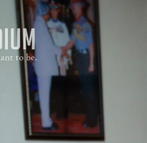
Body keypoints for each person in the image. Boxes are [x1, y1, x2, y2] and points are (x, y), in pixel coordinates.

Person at [61, 0, 98, 130]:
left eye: (73, 7)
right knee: (85, 90)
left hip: (87, 57)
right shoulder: (76, 25)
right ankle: (89, 119)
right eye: (71, 7)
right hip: (81, 59)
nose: (72, 10)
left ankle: (92, 121)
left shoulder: (86, 24)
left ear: (79, 7)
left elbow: (91, 45)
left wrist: (92, 63)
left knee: (89, 91)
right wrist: (63, 49)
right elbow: (72, 40)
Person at [31, 1, 63, 131]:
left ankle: (47, 121)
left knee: (44, 95)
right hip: (44, 67)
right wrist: (62, 51)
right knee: (45, 95)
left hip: (42, 66)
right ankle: (46, 124)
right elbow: (50, 47)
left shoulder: (38, 24)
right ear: (43, 13)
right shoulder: (40, 26)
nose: (49, 15)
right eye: (48, 13)